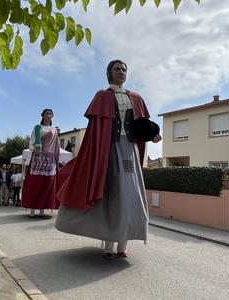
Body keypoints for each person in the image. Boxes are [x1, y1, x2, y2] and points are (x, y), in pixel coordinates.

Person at [55, 60, 161, 259]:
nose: (121, 72)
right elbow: (95, 132)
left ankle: (123, 246)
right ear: (109, 73)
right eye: (117, 69)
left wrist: (152, 135)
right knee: (110, 194)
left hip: (129, 150)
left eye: (124, 69)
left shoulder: (136, 98)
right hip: (109, 150)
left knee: (129, 195)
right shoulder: (102, 96)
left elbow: (141, 126)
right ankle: (108, 246)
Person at [21, 108, 60, 217]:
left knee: (47, 184)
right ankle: (33, 209)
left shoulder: (54, 130)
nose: (49, 115)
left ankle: (42, 209)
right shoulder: (37, 128)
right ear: (42, 116)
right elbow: (31, 142)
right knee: (35, 184)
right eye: (47, 113)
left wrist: (56, 159)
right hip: (38, 159)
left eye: (50, 114)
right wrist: (33, 149)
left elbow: (56, 145)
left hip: (49, 160)